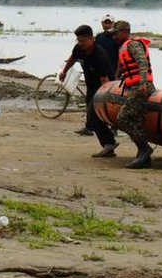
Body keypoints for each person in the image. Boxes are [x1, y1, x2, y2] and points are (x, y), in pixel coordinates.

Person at [59, 25, 118, 157]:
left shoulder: (100, 55)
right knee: (93, 117)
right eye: (78, 41)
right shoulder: (79, 48)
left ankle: (109, 142)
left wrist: (105, 99)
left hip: (105, 88)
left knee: (93, 115)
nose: (80, 44)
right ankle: (109, 144)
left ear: (92, 39)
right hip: (91, 87)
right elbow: (72, 58)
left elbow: (105, 80)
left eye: (83, 41)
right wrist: (64, 71)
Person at [113, 20, 156, 169]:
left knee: (123, 118)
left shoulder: (133, 45)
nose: (114, 37)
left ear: (124, 32)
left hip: (141, 87)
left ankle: (145, 149)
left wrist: (143, 83)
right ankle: (144, 158)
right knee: (137, 120)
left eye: (116, 33)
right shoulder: (123, 47)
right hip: (136, 87)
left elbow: (142, 62)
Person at [77, 14, 120, 135]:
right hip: (98, 73)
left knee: (110, 102)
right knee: (91, 101)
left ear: (113, 24)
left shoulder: (115, 38)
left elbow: (120, 58)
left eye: (109, 23)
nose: (107, 25)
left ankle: (113, 128)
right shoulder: (99, 37)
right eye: (105, 23)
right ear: (102, 24)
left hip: (111, 74)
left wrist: (117, 74)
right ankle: (90, 127)